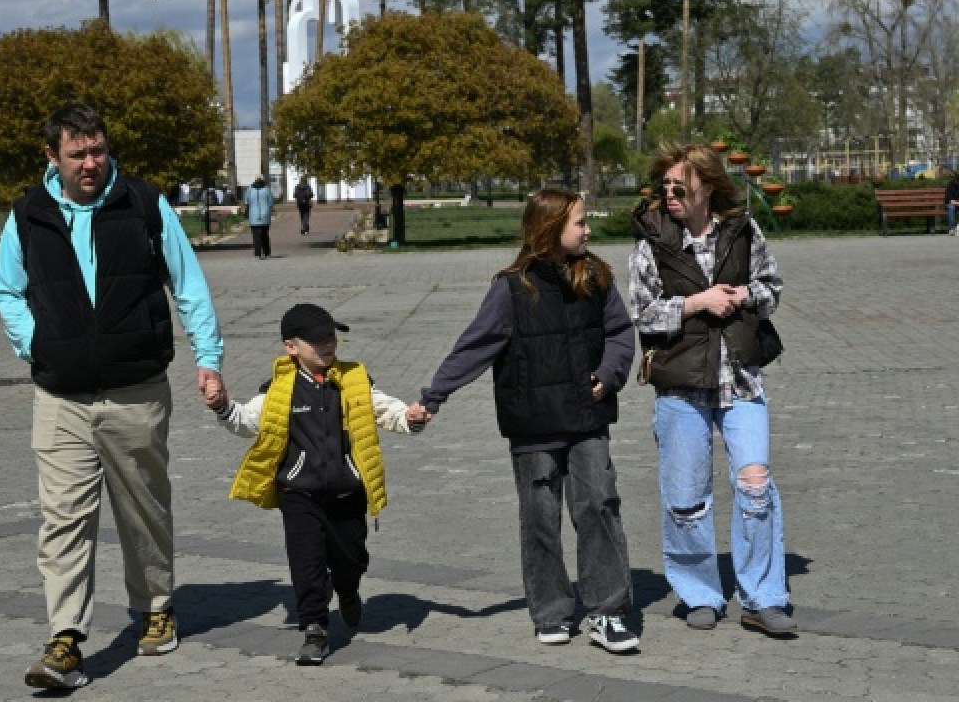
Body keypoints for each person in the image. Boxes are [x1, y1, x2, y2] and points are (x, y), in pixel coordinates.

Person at [0, 103, 227, 691]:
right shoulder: (27, 216)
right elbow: (6, 291)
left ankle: (155, 605)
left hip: (136, 392)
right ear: (53, 156)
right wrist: (37, 344)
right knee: (63, 518)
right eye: (78, 154)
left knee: (142, 509)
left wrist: (209, 358)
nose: (91, 163)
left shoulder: (143, 204)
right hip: (60, 397)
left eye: (98, 150)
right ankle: (65, 639)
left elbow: (188, 285)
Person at [416, 188, 640, 654]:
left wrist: (610, 374)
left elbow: (620, 332)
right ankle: (552, 611)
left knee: (598, 505)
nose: (588, 229)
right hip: (533, 426)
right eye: (579, 222)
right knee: (540, 518)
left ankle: (607, 611)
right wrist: (434, 396)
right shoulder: (512, 287)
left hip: (586, 418)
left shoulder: (596, 276)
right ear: (550, 228)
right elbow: (476, 345)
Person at [628, 142, 796, 637]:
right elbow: (642, 314)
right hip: (681, 384)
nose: (671, 193)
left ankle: (763, 597)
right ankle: (699, 592)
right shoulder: (651, 243)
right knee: (685, 497)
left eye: (681, 185)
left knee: (755, 484)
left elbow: (773, 288)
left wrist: (744, 294)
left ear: (707, 187)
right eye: (666, 186)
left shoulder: (742, 232)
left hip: (741, 380)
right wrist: (697, 302)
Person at [206, 302, 428, 665]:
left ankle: (348, 588)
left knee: (350, 558)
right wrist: (223, 406)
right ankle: (314, 628)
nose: (327, 346)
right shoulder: (279, 388)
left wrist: (411, 417)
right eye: (317, 341)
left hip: (347, 492)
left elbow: (386, 410)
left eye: (331, 338)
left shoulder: (355, 379)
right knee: (305, 562)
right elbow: (248, 422)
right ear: (291, 347)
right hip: (300, 494)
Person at [244, 175, 275, 259]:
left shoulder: (250, 189)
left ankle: (258, 253)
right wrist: (271, 209)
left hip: (253, 216)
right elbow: (271, 202)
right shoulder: (267, 189)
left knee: (256, 236)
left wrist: (246, 212)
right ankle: (267, 253)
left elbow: (246, 201)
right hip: (265, 215)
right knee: (265, 235)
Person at [945, 169, 959, 235]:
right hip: (951, 204)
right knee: (951, 208)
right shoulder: (950, 186)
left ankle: (956, 228)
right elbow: (951, 201)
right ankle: (952, 229)